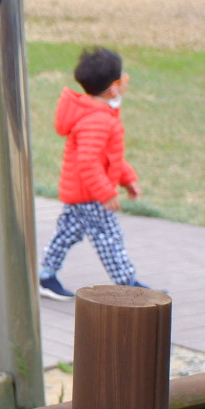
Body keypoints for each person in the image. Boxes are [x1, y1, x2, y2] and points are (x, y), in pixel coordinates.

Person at [37, 47, 151, 300]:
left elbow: (109, 157)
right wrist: (106, 193)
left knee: (67, 233)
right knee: (109, 237)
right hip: (90, 195)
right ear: (113, 89)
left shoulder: (98, 114)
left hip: (81, 191)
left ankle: (45, 275)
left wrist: (127, 179)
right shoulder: (97, 120)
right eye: (124, 79)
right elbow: (88, 162)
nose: (126, 82)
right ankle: (127, 285)